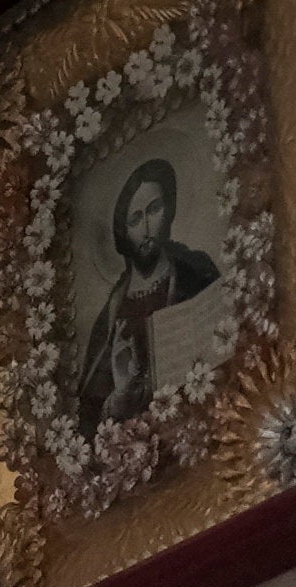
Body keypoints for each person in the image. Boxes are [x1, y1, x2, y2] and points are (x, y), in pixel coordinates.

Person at [72, 154, 221, 431]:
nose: (148, 229)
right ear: (123, 232)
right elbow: (89, 417)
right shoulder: (113, 313)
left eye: (154, 209)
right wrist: (121, 395)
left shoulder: (195, 272)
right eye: (135, 219)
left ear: (169, 209)